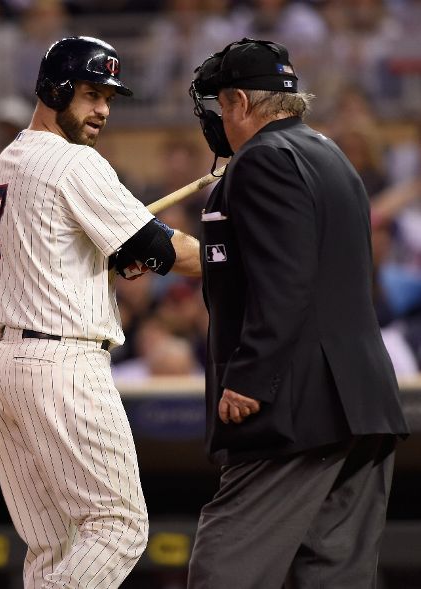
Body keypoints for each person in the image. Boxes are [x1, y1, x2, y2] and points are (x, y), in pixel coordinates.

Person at [187, 38, 410, 589]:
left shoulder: (262, 160)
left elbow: (287, 281)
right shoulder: (328, 153)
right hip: (361, 403)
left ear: (240, 102)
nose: (218, 120)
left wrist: (250, 377)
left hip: (296, 407)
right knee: (332, 577)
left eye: (220, 106)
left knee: (224, 570)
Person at [0, 36, 200, 589]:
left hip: (11, 366)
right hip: (63, 366)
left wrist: (115, 259)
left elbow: (81, 248)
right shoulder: (73, 160)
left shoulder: (13, 156)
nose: (102, 109)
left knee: (55, 548)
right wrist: (239, 256)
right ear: (54, 89)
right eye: (90, 94)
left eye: (107, 97)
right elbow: (165, 249)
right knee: (118, 528)